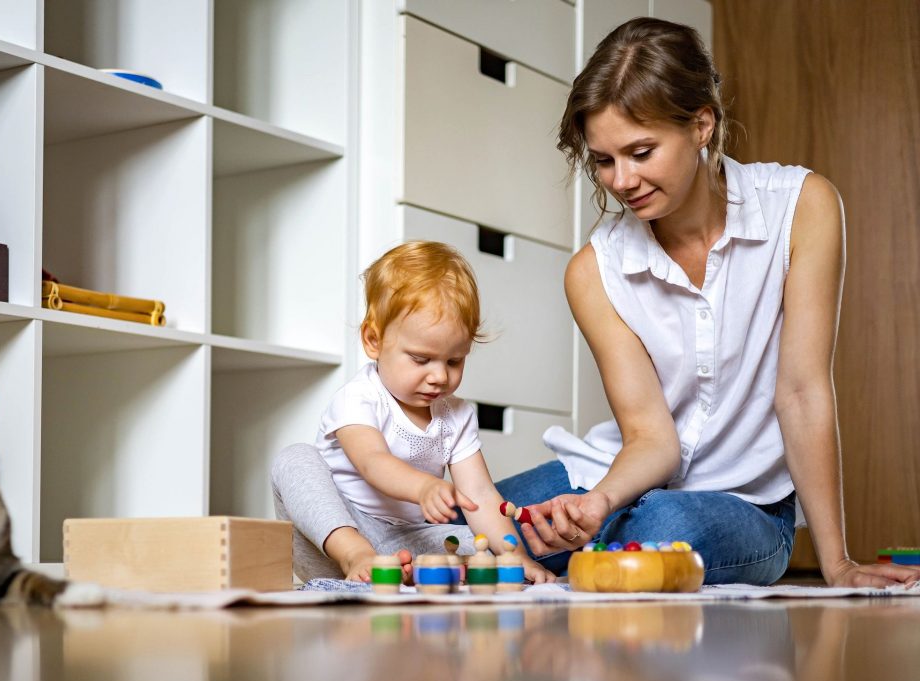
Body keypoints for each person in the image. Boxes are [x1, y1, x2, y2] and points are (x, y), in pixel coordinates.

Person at [277, 16, 920, 589]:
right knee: (489, 525)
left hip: (743, 502)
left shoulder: (803, 207)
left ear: (702, 124)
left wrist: (836, 562)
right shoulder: (594, 269)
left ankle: (569, 549)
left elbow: (803, 391)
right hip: (612, 472)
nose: (622, 181)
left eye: (641, 153)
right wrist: (595, 502)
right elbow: (651, 439)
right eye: (603, 161)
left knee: (664, 521)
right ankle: (362, 557)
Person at [272, 241, 555, 584]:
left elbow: (479, 494)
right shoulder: (359, 397)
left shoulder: (457, 416)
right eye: (421, 359)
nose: (439, 376)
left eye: (454, 361)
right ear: (374, 340)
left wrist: (516, 557)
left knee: (471, 544)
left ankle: (402, 572)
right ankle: (357, 557)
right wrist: (423, 489)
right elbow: (372, 462)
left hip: (402, 540)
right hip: (333, 536)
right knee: (295, 459)